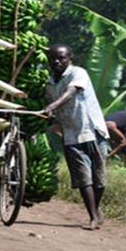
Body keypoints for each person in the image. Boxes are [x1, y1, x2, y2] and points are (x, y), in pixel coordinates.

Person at [43, 44, 109, 231]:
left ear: (70, 58)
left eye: (62, 58)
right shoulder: (49, 84)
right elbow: (51, 106)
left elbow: (70, 93)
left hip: (92, 130)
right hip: (71, 135)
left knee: (99, 177)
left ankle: (96, 210)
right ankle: (93, 217)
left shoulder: (78, 73)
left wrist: (52, 107)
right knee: (83, 178)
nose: (57, 61)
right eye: (53, 58)